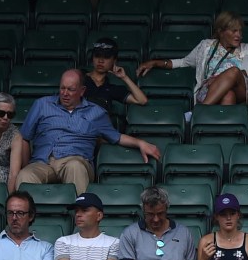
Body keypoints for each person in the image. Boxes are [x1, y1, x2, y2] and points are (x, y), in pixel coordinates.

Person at [15, 69, 161, 193]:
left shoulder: (96, 113)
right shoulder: (42, 104)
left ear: (82, 91)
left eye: (70, 89)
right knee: (26, 175)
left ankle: (79, 221)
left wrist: (140, 143)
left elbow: (116, 137)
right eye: (62, 88)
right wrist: (28, 164)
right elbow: (25, 136)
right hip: (43, 161)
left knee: (75, 167)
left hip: (76, 160)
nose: (65, 93)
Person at [141, 11, 248, 107]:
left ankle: (201, 111)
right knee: (228, 95)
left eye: (240, 31)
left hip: (243, 90)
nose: (239, 35)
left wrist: (219, 79)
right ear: (221, 31)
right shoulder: (206, 46)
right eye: (234, 31)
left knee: (234, 71)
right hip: (209, 90)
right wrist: (155, 62)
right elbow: (183, 62)